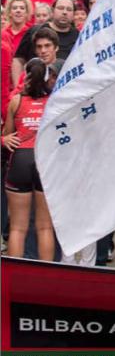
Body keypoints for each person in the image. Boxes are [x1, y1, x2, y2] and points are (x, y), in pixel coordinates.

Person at [2, 59, 55, 261]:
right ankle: (47, 276)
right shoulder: (53, 101)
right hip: (44, 161)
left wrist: (4, 139)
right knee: (45, 227)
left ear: (26, 76)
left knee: (17, 227)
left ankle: (14, 276)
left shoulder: (17, 100)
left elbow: (8, 134)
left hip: (20, 160)